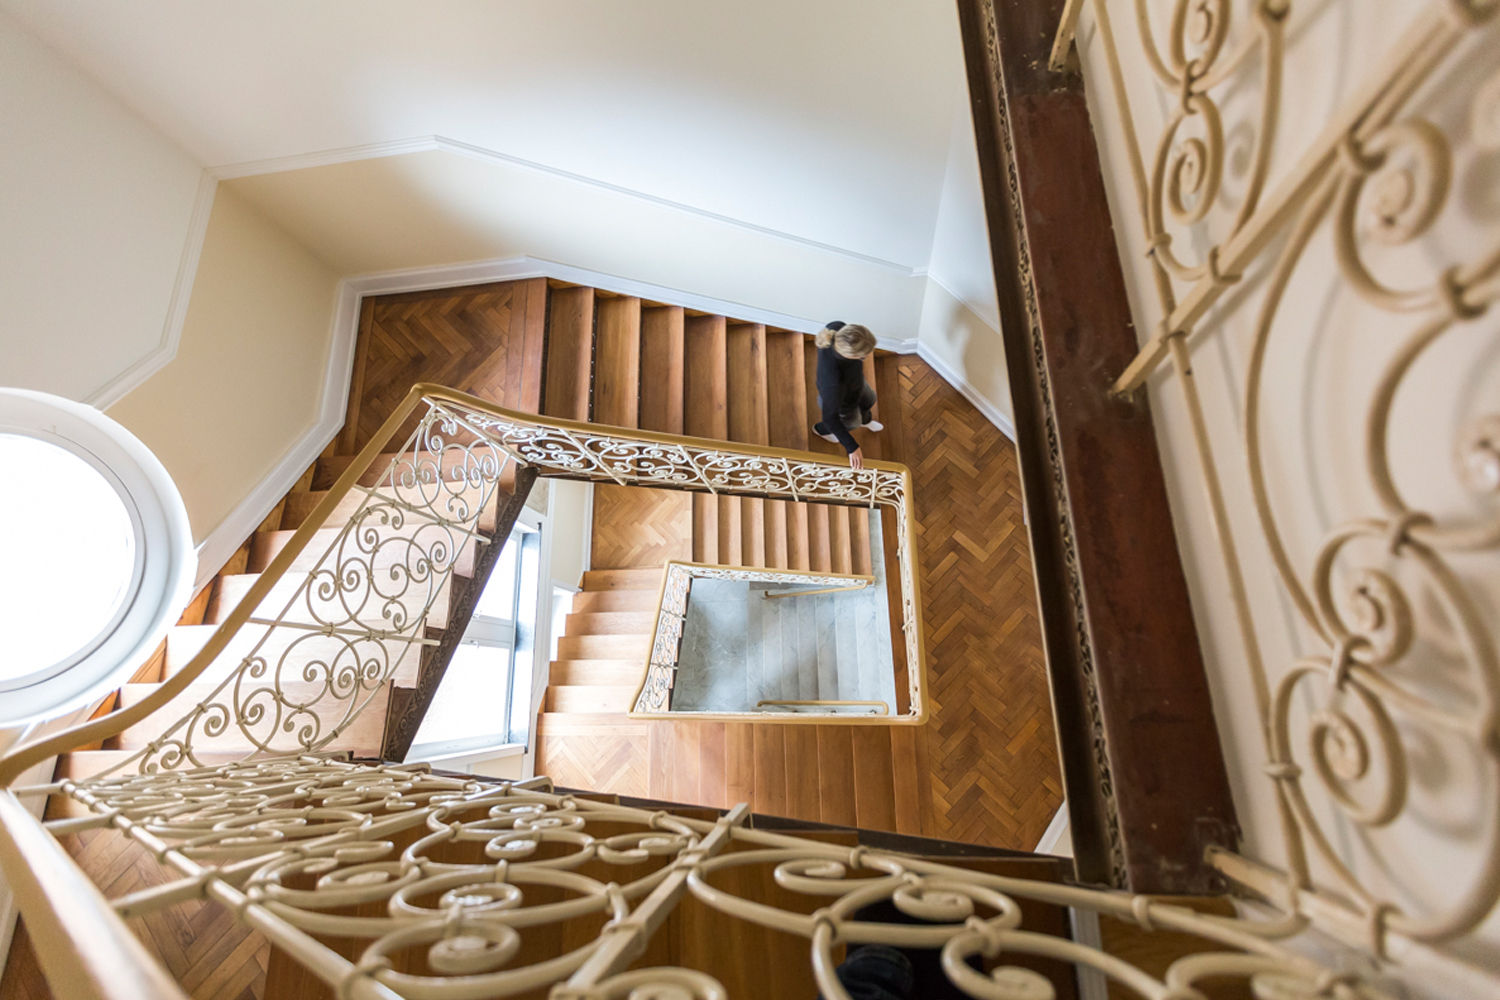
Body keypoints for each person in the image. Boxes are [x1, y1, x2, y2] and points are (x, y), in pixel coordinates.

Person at [812, 321, 883, 469]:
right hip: (841, 401)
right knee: (852, 422)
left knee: (870, 398)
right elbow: (830, 418)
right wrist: (851, 447)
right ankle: (821, 430)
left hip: (855, 384)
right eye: (864, 355)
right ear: (851, 355)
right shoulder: (831, 382)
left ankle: (866, 420)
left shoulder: (837, 328)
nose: (868, 356)